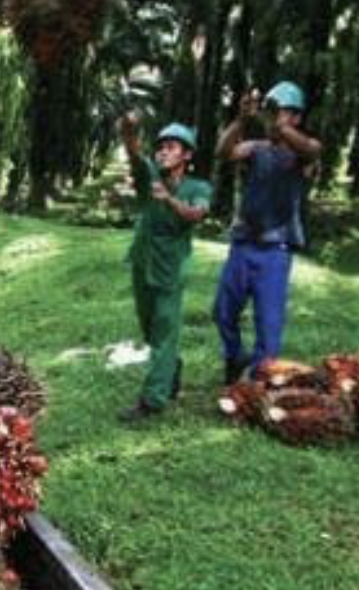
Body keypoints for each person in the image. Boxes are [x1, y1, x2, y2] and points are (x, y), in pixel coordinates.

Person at [213, 81, 322, 384]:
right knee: (223, 312)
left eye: (281, 111)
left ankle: (259, 385)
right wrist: (241, 120)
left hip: (276, 250)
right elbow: (223, 152)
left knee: (268, 326)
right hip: (243, 243)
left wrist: (279, 126)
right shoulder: (257, 148)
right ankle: (235, 357)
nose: (273, 116)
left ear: (296, 117)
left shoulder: (304, 152)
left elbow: (311, 151)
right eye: (271, 110)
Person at [117, 112, 212, 423]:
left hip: (171, 267)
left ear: (187, 155)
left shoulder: (198, 187)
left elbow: (196, 214)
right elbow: (134, 153)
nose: (163, 152)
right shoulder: (150, 176)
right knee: (150, 329)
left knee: (164, 329)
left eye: (171, 147)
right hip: (143, 261)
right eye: (160, 147)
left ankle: (153, 400)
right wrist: (128, 131)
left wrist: (169, 200)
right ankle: (171, 367)